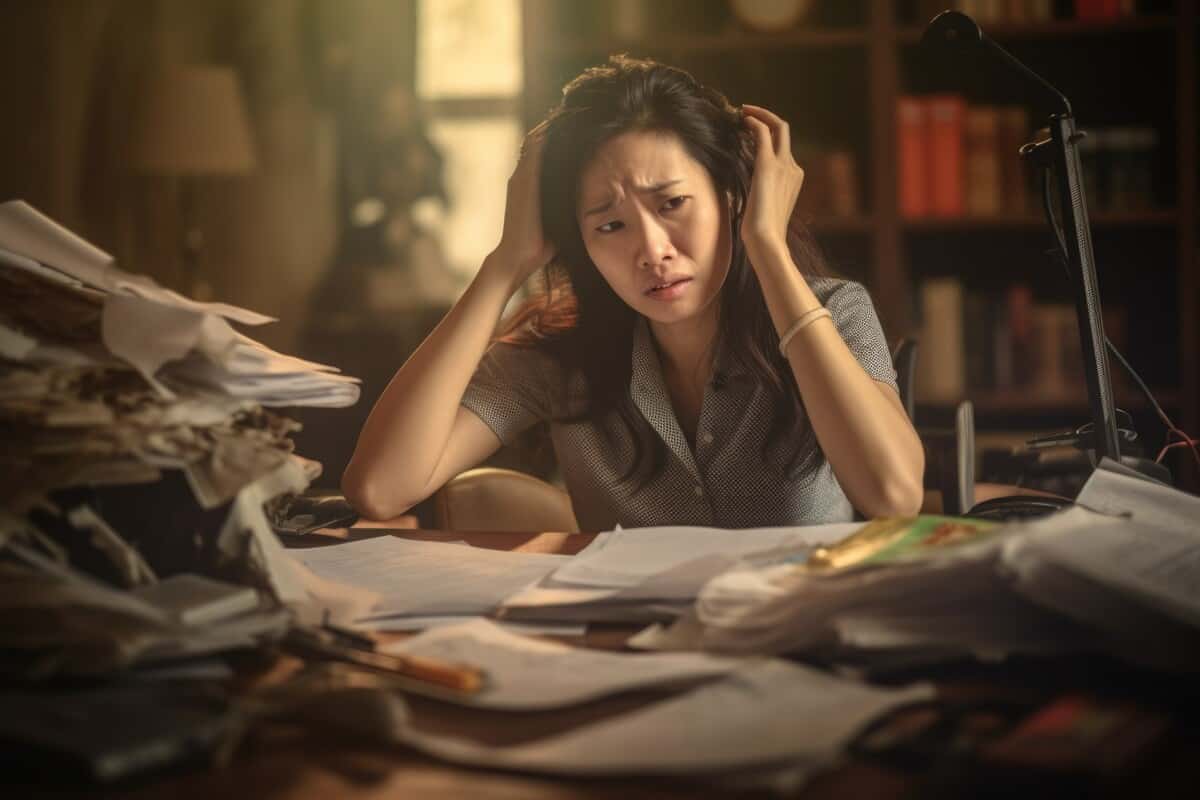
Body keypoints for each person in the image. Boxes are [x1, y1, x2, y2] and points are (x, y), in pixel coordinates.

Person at [342, 56, 924, 530]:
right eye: (609, 225)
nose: (652, 250)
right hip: (629, 651)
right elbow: (379, 487)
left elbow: (895, 495)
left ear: (732, 197)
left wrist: (767, 245)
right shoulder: (558, 354)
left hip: (801, 649)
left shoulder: (835, 312)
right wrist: (504, 265)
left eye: (672, 204)